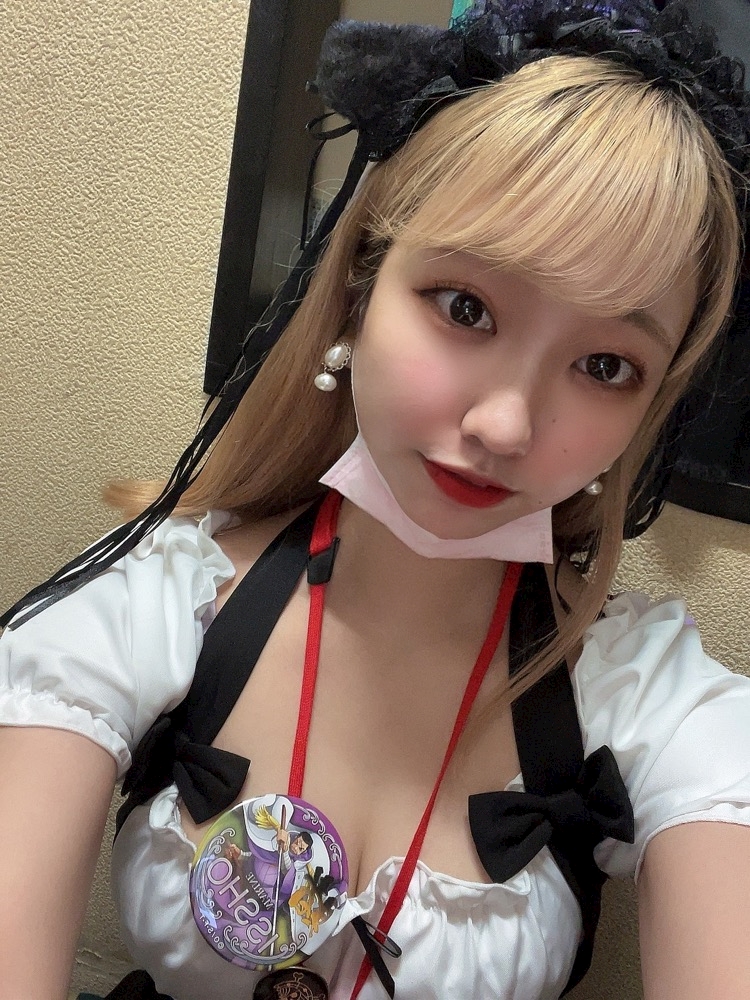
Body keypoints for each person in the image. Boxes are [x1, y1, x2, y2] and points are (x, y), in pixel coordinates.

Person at [1, 2, 750, 999]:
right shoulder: (153, 604)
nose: (504, 425)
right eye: (466, 307)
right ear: (359, 284)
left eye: (606, 364)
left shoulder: (645, 695)